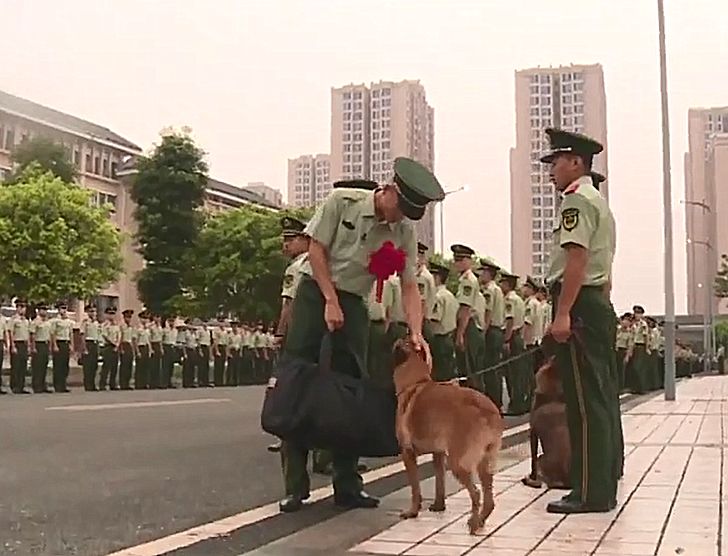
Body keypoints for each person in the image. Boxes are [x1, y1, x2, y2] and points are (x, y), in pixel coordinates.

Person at [278, 156, 444, 513]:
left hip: (353, 303)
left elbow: (410, 285)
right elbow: (316, 250)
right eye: (398, 208)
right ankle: (295, 486)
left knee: (351, 389)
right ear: (387, 190)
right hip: (315, 293)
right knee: (299, 383)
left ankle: (348, 485)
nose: (397, 219)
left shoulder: (403, 231)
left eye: (406, 215)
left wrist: (417, 332)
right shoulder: (343, 202)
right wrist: (329, 299)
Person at [541, 127, 619, 514]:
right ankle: (600, 486)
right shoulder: (596, 201)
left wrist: (563, 313)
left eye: (555, 162)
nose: (551, 170)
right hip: (592, 304)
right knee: (598, 399)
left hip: (580, 307)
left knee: (585, 405)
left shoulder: (576, 201)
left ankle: (590, 493)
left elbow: (576, 260)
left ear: (575, 162)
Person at [451, 244, 485, 388]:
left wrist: (460, 334)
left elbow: (465, 309)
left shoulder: (468, 281)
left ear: (468, 261)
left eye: (461, 260)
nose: (457, 263)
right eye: (456, 260)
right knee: (466, 370)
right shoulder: (463, 279)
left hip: (468, 327)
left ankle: (475, 405)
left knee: (470, 370)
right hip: (467, 327)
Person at [479, 258, 505, 411]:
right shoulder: (497, 289)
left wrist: (484, 330)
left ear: (489, 273)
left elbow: (488, 312)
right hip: (497, 331)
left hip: (492, 331)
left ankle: (493, 403)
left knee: (490, 368)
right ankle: (498, 402)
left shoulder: (489, 290)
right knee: (495, 368)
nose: (481, 274)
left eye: (483, 271)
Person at [500, 271, 528, 414]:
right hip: (517, 336)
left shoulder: (510, 299)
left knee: (512, 372)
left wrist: (506, 339)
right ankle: (519, 402)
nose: (501, 285)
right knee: (518, 371)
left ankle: (515, 404)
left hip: (511, 336)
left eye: (502, 282)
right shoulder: (519, 299)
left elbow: (510, 321)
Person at [429, 262, 458, 380]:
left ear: (437, 278)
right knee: (448, 373)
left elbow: (435, 318)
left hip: (439, 339)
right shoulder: (450, 295)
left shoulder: (438, 296)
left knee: (439, 374)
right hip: (449, 338)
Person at [416, 242, 437, 343]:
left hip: (422, 322)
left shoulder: (422, 277)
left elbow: (421, 303)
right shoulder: (420, 275)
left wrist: (417, 329)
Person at [626, 305, 650, 394]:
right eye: (636, 313)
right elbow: (631, 337)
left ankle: (642, 388)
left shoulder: (643, 324)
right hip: (633, 346)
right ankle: (635, 387)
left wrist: (647, 348)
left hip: (641, 346)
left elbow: (646, 336)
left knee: (639, 368)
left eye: (639, 313)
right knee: (633, 368)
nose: (637, 315)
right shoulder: (633, 324)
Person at [9, 299, 31, 394]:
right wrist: (12, 346)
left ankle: (21, 386)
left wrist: (29, 346)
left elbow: (28, 334)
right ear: (17, 308)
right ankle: (15, 386)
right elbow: (10, 333)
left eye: (24, 307)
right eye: (21, 307)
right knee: (16, 366)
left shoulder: (26, 321)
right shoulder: (13, 320)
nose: (23, 310)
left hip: (24, 344)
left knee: (23, 365)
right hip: (17, 343)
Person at [29, 303, 52, 393]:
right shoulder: (35, 322)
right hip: (38, 344)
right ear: (38, 310)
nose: (45, 311)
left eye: (46, 309)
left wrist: (49, 347)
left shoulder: (47, 322)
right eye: (43, 309)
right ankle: (36, 386)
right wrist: (33, 347)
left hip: (45, 344)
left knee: (44, 366)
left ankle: (43, 385)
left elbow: (49, 335)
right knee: (37, 366)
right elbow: (32, 335)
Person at [80, 305, 101, 391]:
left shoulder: (96, 323)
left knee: (94, 365)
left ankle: (92, 384)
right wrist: (84, 348)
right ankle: (88, 385)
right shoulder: (85, 322)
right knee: (88, 366)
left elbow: (98, 335)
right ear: (88, 312)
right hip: (88, 343)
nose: (93, 313)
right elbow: (82, 335)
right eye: (91, 311)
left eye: (94, 311)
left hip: (95, 344)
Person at [100, 307, 121, 390]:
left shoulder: (116, 325)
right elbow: (105, 335)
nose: (111, 315)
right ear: (106, 314)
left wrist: (117, 345)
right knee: (106, 366)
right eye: (109, 313)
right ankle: (103, 384)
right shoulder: (105, 324)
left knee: (114, 366)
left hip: (116, 347)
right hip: (108, 346)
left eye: (113, 313)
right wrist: (114, 343)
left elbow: (119, 335)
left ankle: (113, 384)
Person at [615, 313, 633, 393]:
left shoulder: (629, 333)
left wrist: (627, 356)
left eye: (627, 321)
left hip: (623, 351)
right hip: (615, 351)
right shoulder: (617, 331)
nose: (625, 322)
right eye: (624, 320)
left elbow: (630, 345)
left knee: (621, 370)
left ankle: (620, 387)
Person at [134, 311, 152, 389]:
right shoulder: (137, 328)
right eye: (143, 318)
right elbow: (135, 340)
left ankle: (145, 383)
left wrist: (150, 350)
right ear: (140, 319)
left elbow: (148, 340)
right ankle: (138, 384)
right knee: (140, 367)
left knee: (146, 366)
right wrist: (137, 351)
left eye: (146, 318)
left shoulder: (147, 329)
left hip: (146, 348)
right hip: (140, 347)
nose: (145, 320)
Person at [118, 309, 135, 390]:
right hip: (124, 344)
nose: (128, 319)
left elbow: (132, 338)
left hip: (129, 345)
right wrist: (121, 348)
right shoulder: (121, 326)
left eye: (129, 317)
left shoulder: (131, 327)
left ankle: (127, 383)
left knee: (129, 365)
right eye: (127, 317)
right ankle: (123, 384)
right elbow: (120, 337)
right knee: (124, 365)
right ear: (124, 317)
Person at [161, 316, 178, 388]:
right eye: (170, 321)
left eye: (173, 321)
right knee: (165, 366)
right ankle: (164, 383)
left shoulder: (175, 330)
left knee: (171, 366)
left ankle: (169, 382)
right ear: (168, 322)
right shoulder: (164, 330)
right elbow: (161, 340)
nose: (172, 323)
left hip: (172, 347)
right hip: (166, 346)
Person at [149, 314, 164, 389]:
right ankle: (152, 383)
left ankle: (158, 382)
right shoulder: (151, 326)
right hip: (153, 344)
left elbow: (160, 339)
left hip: (158, 344)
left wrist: (161, 348)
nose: (158, 319)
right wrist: (151, 349)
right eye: (156, 317)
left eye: (159, 317)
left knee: (158, 365)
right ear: (154, 317)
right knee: (153, 365)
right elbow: (149, 338)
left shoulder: (160, 327)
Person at [212, 316, 229, 387]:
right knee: (218, 365)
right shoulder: (216, 330)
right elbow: (215, 341)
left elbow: (226, 343)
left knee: (222, 365)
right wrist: (217, 351)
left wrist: (226, 352)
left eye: (223, 322)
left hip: (223, 347)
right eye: (221, 322)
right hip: (218, 347)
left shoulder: (225, 331)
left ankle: (221, 381)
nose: (222, 324)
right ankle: (217, 381)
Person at [196, 319, 212, 387]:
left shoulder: (208, 331)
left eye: (207, 322)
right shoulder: (200, 330)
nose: (205, 324)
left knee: (206, 365)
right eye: (204, 322)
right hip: (202, 347)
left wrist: (210, 352)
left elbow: (210, 342)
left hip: (207, 347)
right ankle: (200, 381)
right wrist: (200, 350)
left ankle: (206, 381)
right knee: (201, 365)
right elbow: (197, 340)